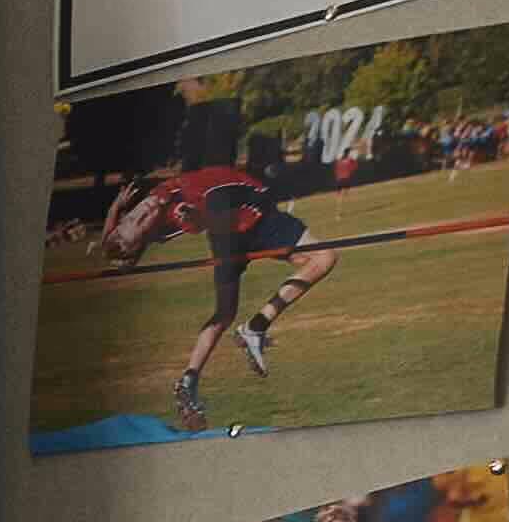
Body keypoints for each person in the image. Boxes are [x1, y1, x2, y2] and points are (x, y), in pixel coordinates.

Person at [107, 157, 342, 424]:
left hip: (231, 227)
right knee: (324, 258)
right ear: (148, 231)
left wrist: (115, 208)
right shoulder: (175, 212)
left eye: (131, 217)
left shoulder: (147, 207)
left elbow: (110, 244)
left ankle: (189, 380)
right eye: (140, 221)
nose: (141, 212)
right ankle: (255, 327)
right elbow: (196, 219)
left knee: (224, 313)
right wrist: (193, 216)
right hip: (253, 215)